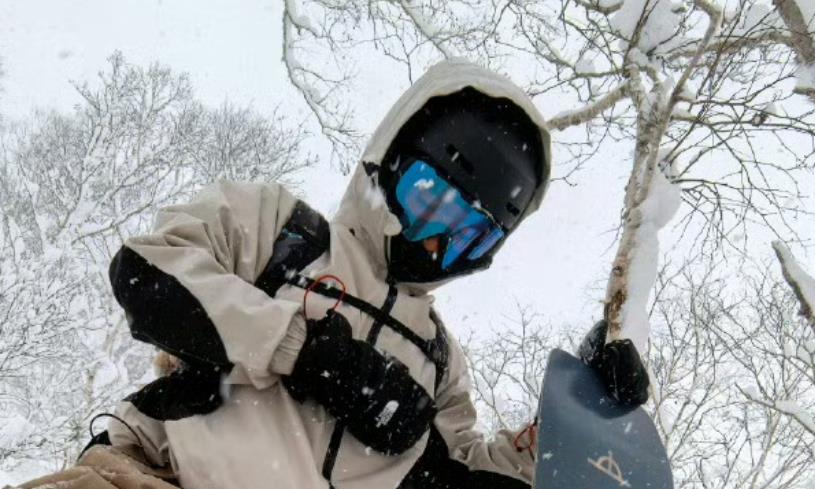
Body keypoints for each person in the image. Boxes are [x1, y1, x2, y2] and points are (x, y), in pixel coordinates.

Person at [13, 59, 648, 489]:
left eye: (469, 233)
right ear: (392, 160)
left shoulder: (436, 359)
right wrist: (304, 351)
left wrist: (575, 418)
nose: (435, 241)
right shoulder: (278, 233)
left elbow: (466, 475)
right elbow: (148, 273)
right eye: (430, 200)